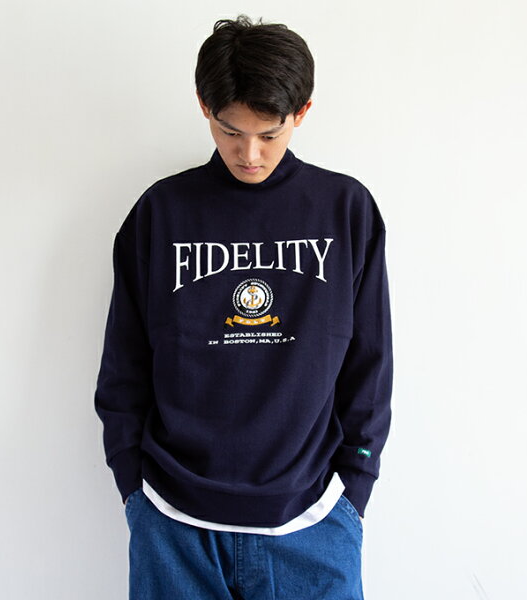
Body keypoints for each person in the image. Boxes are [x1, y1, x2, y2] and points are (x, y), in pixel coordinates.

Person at [94, 13, 393, 600]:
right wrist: (134, 486)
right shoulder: (161, 213)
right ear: (204, 106)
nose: (249, 154)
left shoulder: (345, 210)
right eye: (230, 131)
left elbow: (371, 362)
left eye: (269, 134)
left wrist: (354, 487)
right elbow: (123, 362)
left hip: (314, 521)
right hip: (173, 521)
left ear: (301, 111)